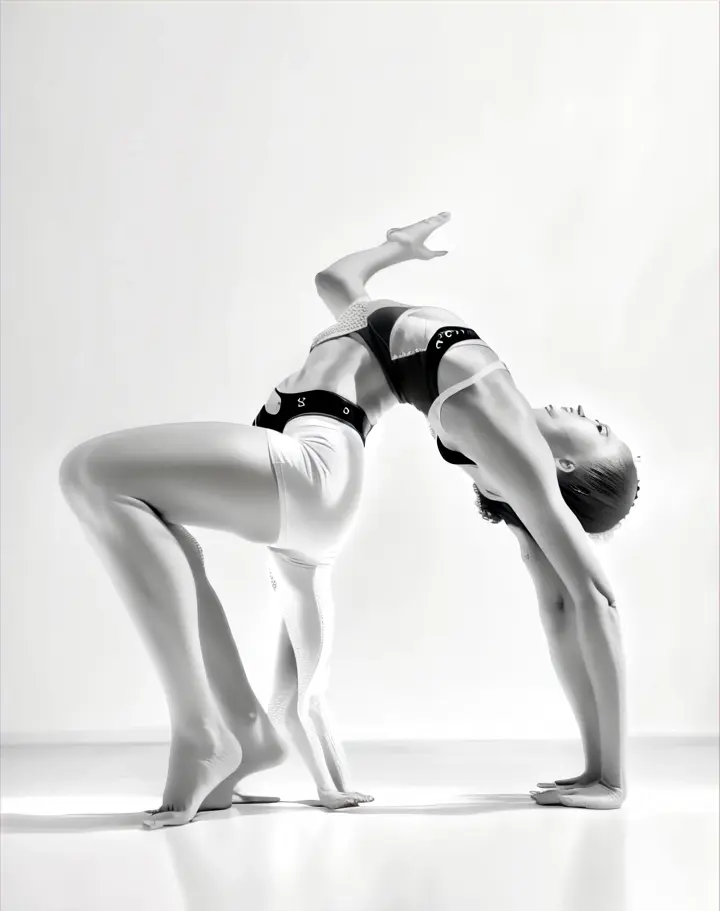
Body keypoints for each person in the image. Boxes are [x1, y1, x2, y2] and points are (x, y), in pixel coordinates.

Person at [59, 212, 639, 828]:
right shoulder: (503, 452)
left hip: (314, 464)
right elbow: (337, 283)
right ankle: (242, 731)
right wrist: (394, 248)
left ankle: (202, 733)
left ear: (569, 462)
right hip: (307, 464)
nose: (586, 410)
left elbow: (590, 600)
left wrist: (610, 775)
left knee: (94, 471)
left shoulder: (511, 427)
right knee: (139, 514)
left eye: (599, 428)